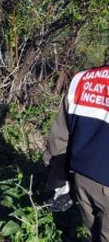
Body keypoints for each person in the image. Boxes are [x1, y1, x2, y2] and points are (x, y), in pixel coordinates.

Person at [44, 65, 109, 242]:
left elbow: (60, 134)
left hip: (82, 178)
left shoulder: (84, 78)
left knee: (93, 234)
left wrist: (58, 177)